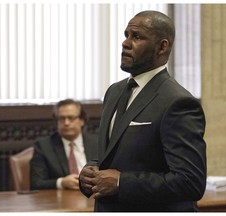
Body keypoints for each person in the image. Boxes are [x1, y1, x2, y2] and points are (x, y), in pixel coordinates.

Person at [79, 10, 207, 212]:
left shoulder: (178, 102)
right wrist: (89, 172)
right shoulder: (114, 91)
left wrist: (122, 182)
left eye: (137, 37)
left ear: (162, 47)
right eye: (126, 35)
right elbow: (110, 154)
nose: (126, 43)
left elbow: (190, 182)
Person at [30, 99, 98, 190]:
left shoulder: (97, 143)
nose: (66, 123)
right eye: (61, 119)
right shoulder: (43, 146)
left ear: (82, 120)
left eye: (71, 118)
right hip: (60, 200)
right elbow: (36, 183)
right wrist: (61, 182)